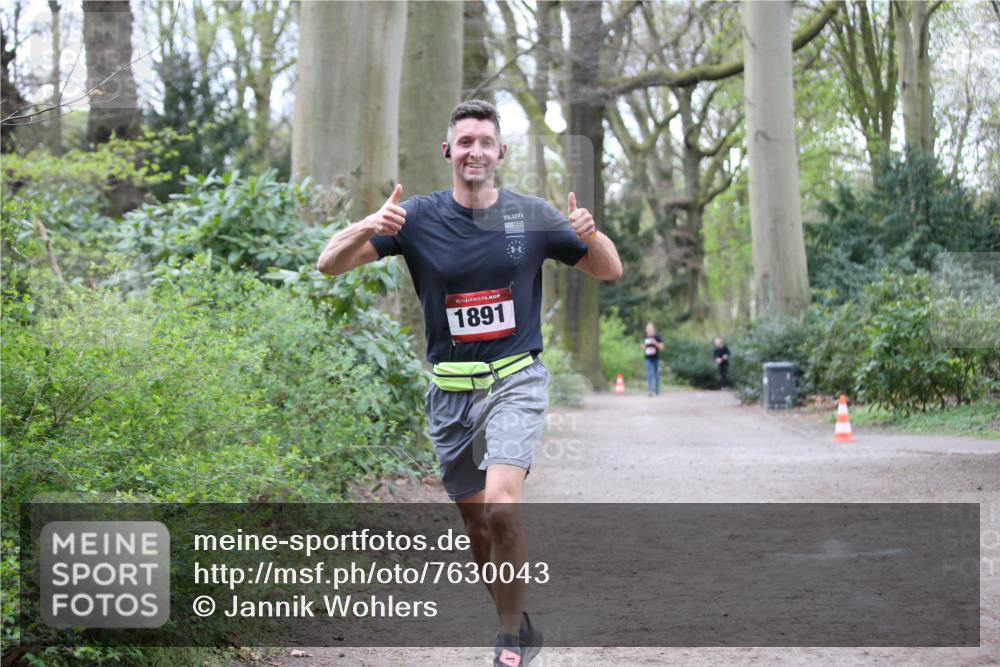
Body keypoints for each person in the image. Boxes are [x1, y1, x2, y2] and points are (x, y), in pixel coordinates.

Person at [315, 99, 622, 667]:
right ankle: (519, 624)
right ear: (448, 151)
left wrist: (592, 234)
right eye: (465, 141)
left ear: (500, 152)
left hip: (514, 380)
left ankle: (507, 642)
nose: (475, 150)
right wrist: (368, 221)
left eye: (486, 141)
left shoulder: (533, 215)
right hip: (451, 391)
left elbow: (608, 269)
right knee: (478, 527)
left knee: (504, 509)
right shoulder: (417, 218)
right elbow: (328, 265)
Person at [641, 322, 664, 396]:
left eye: (651, 329)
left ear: (654, 329)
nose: (649, 330)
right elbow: (642, 347)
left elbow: (662, 347)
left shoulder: (658, 337)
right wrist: (644, 346)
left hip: (656, 358)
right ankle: (649, 390)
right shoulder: (645, 338)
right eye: (648, 329)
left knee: (656, 374)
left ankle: (657, 389)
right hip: (648, 358)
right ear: (646, 330)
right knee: (649, 373)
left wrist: (655, 343)